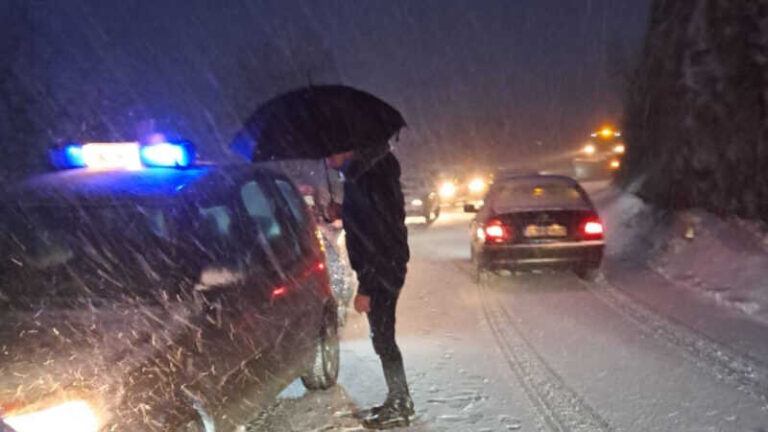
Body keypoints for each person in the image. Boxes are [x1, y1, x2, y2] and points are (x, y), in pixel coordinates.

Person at [326, 144, 413, 430]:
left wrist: (367, 287)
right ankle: (399, 400)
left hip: (382, 271)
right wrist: (343, 212)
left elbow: (375, 236)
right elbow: (369, 222)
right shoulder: (369, 176)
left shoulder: (366, 178)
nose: (328, 160)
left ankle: (400, 405)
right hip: (388, 267)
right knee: (383, 337)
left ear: (349, 149)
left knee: (384, 339)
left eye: (332, 152)